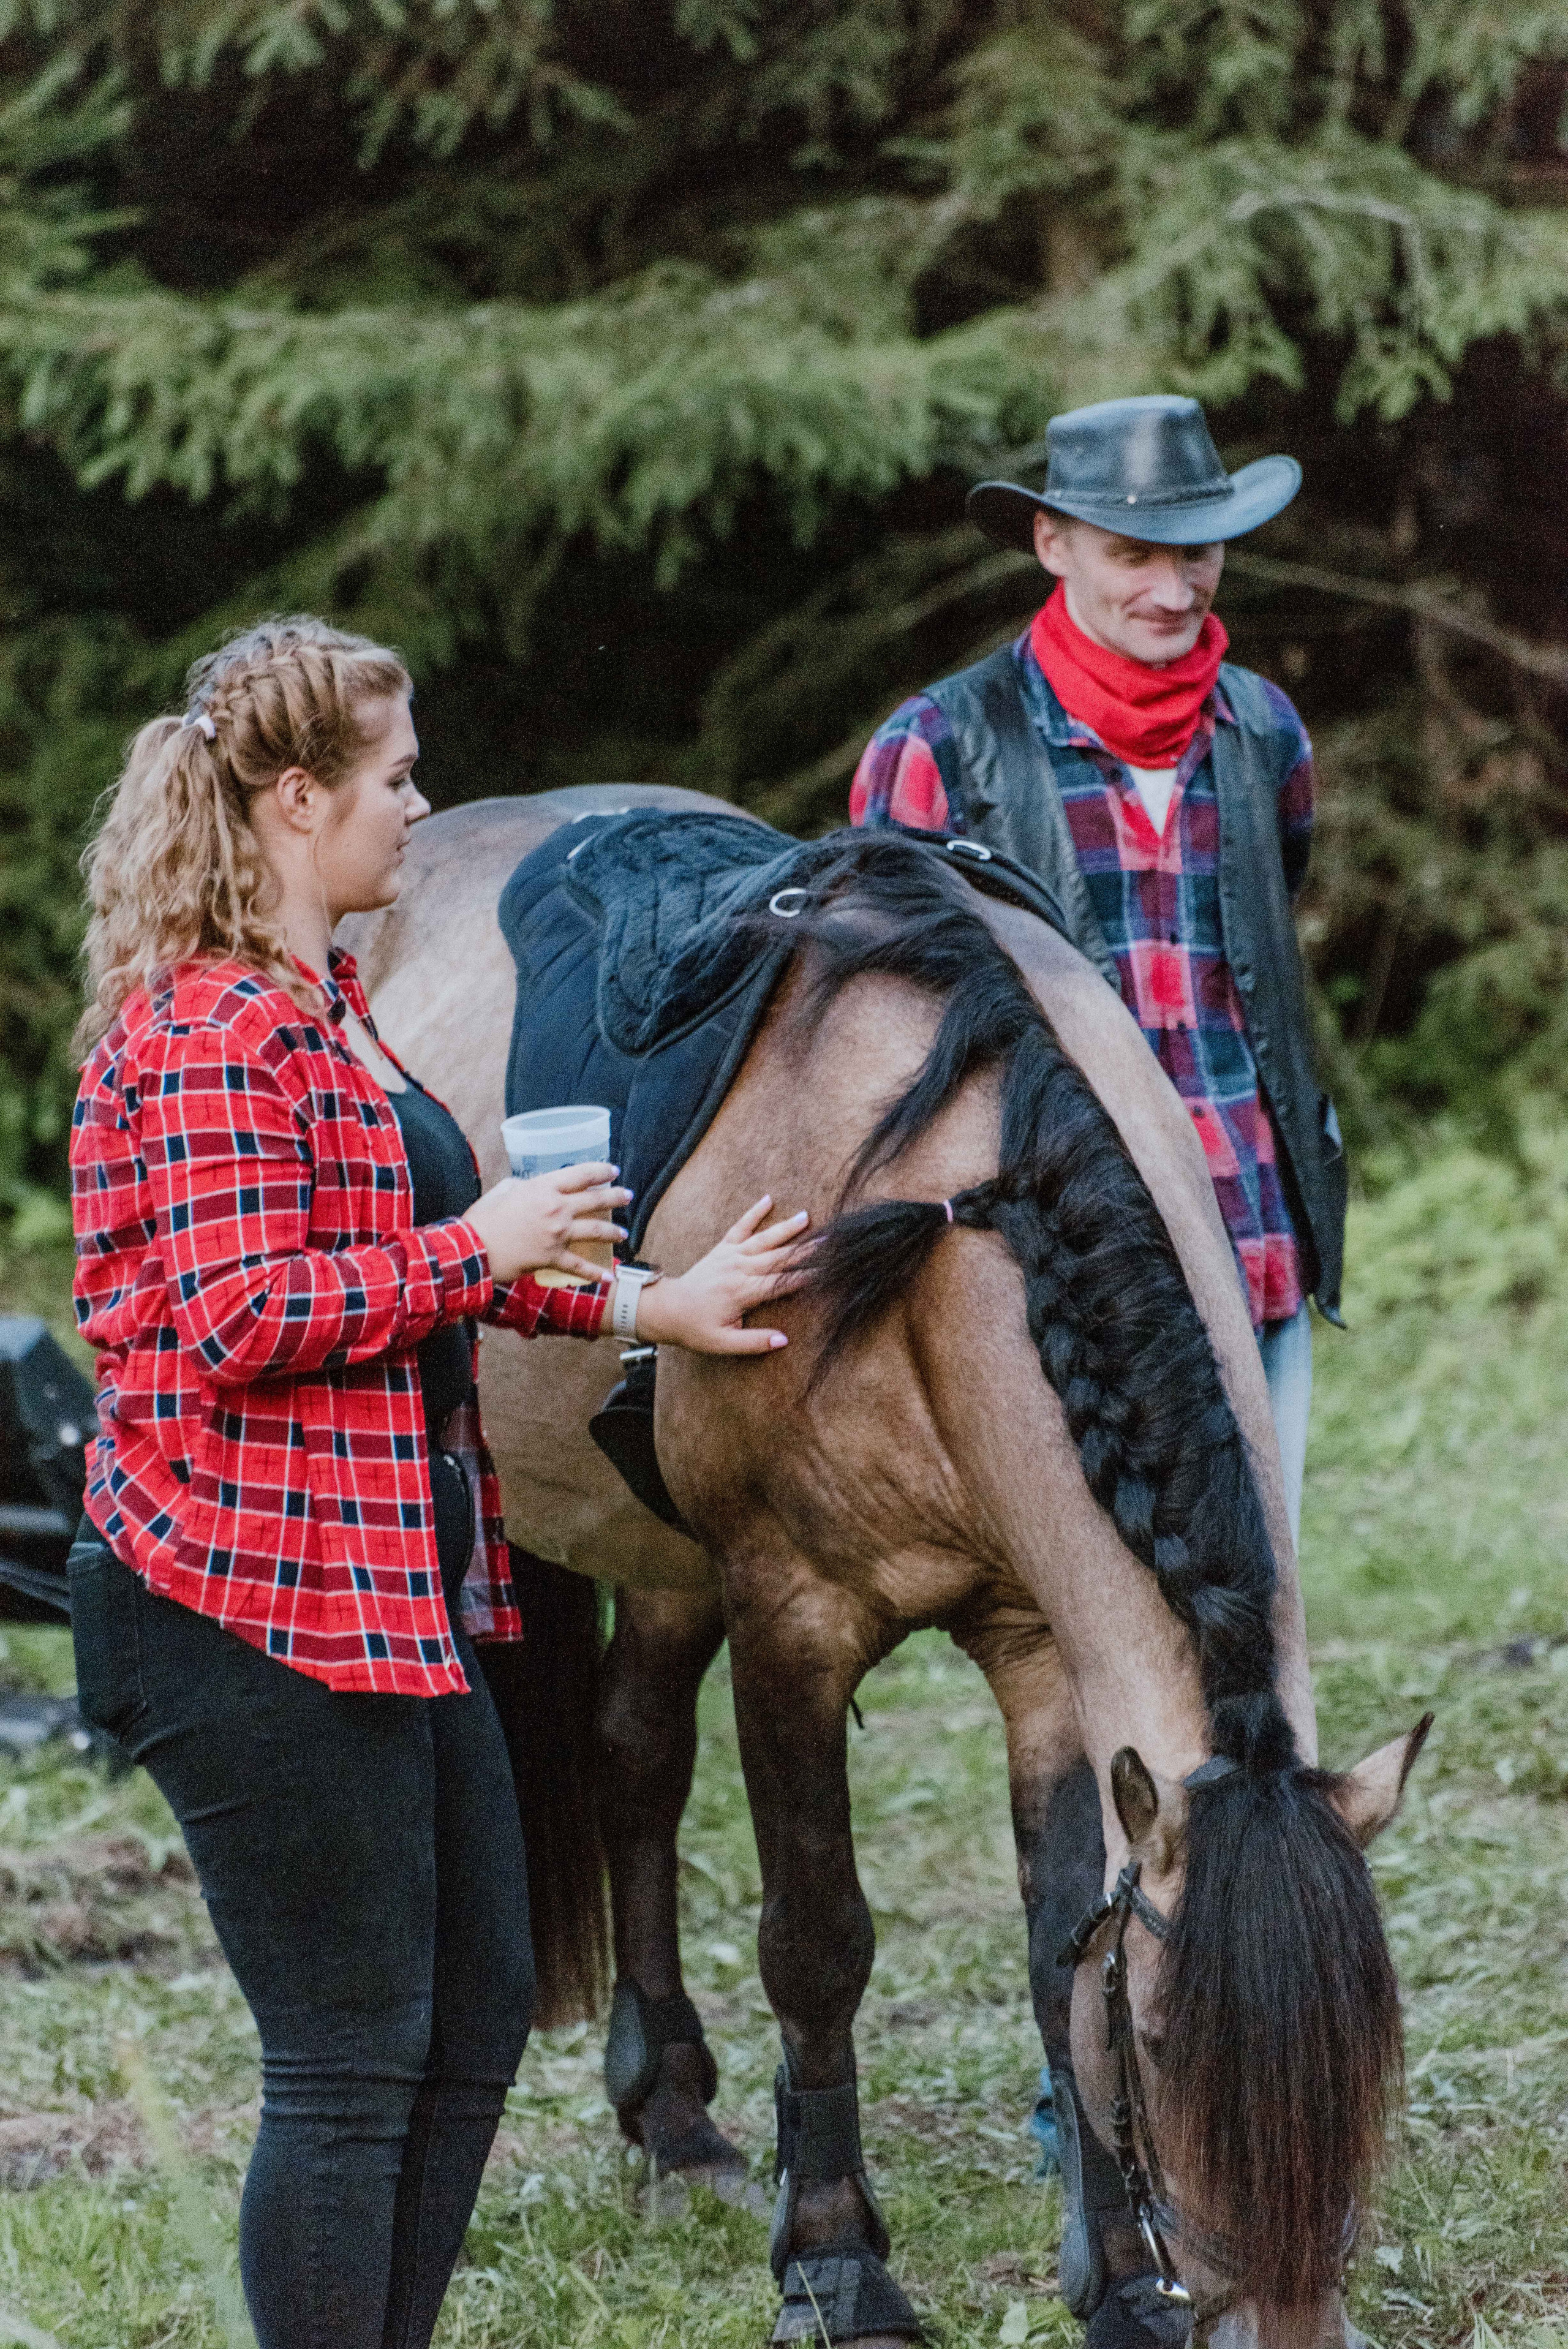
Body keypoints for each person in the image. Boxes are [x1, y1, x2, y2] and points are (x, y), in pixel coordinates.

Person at [66, 616, 808, 2349]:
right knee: (345, 2058)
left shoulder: (328, 1006)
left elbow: (422, 1251)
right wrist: (475, 1241)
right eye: (399, 778)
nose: (427, 807)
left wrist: (648, 1301)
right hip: (236, 1600)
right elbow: (249, 1313)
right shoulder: (206, 1032)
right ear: (300, 799)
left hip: (389, 1580)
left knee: (475, 2009)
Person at [851, 393, 1346, 1550]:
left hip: (1251, 1221)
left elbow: (1265, 975)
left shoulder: (1266, 733)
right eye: (1135, 557)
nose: (1174, 592)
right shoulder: (937, 748)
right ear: (1053, 543)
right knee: (1090, 1609)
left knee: (1257, 1571)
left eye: (1198, 554)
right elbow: (882, 1023)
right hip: (1058, 1254)